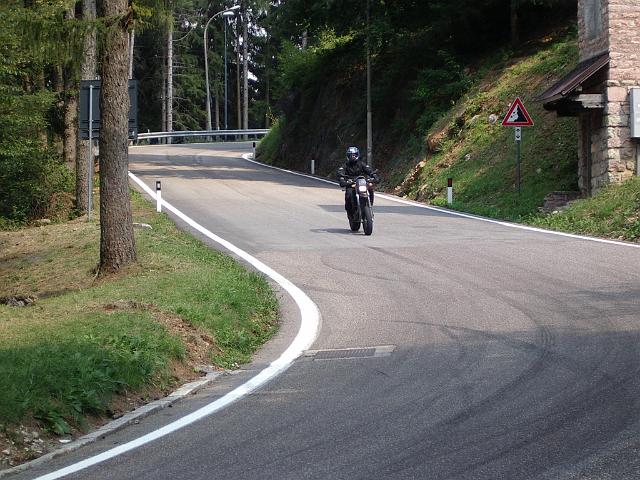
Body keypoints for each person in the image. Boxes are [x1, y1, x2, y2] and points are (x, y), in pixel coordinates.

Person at [337, 146, 379, 211]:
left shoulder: (361, 164)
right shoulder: (345, 165)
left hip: (362, 181)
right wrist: (342, 179)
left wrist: (374, 176)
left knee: (370, 187)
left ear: (357, 155)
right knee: (348, 195)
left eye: (354, 155)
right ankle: (350, 213)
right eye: (351, 155)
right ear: (348, 156)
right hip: (351, 183)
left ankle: (370, 204)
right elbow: (340, 173)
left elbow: (369, 170)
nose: (353, 156)